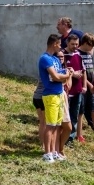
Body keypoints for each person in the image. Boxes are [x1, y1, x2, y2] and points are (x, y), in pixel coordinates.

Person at [38, 34, 72, 162]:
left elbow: (62, 75)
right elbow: (56, 77)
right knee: (50, 125)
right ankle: (47, 153)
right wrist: (65, 75)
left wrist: (64, 75)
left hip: (59, 94)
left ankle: (54, 151)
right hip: (50, 95)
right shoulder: (45, 59)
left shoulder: (56, 60)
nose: (61, 46)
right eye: (59, 44)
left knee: (57, 125)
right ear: (54, 44)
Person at [64, 34, 87, 144]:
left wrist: (84, 86)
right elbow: (59, 71)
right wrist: (72, 74)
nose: (75, 46)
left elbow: (83, 70)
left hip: (77, 91)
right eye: (73, 44)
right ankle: (62, 137)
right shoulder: (62, 55)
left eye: (77, 44)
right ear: (67, 43)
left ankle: (70, 138)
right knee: (65, 115)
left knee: (74, 115)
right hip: (66, 91)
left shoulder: (78, 55)